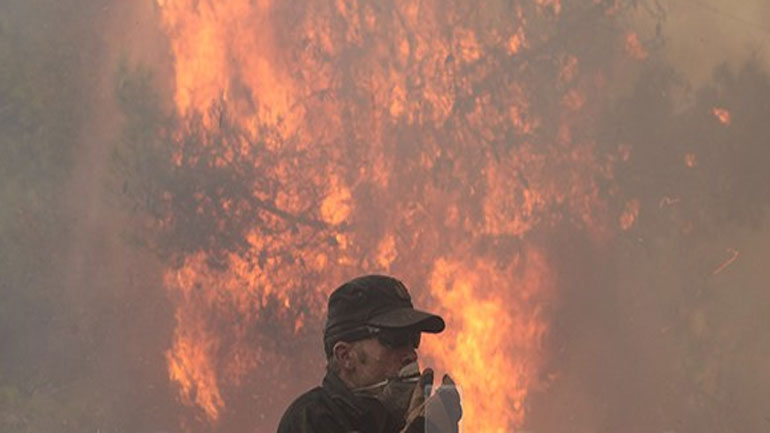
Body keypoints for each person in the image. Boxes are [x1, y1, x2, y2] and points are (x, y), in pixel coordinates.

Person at [277, 275, 462, 433]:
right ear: (345, 356)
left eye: (413, 338)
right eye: (395, 339)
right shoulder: (310, 418)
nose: (411, 354)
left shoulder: (401, 419)